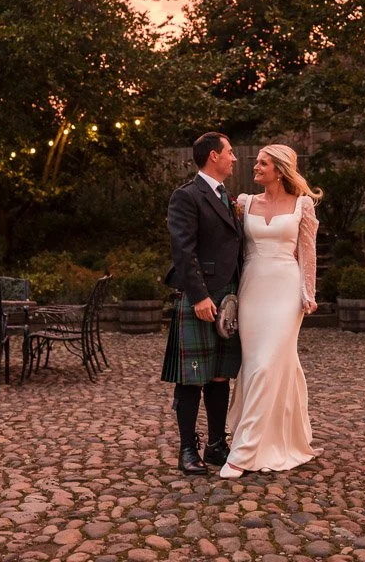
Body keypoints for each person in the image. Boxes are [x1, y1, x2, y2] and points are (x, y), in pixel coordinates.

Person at [220, 143, 321, 479]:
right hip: (253, 289)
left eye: (262, 163)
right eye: (256, 162)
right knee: (259, 365)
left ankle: (242, 452)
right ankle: (287, 435)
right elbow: (231, 246)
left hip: (285, 291)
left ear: (279, 170)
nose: (255, 167)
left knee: (267, 365)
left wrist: (309, 292)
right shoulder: (244, 203)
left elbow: (307, 253)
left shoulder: (302, 205)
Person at [161, 132, 243, 475]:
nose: (234, 158)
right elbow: (183, 250)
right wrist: (199, 297)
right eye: (230, 151)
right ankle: (187, 449)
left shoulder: (226, 196)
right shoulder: (187, 196)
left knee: (221, 376)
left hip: (228, 297)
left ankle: (215, 444)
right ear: (213, 156)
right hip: (203, 296)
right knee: (192, 377)